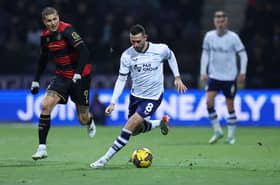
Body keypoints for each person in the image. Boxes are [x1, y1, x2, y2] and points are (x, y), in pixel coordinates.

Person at [90, 24, 187, 169]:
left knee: (130, 124)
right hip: (135, 96)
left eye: (138, 41)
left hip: (153, 97)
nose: (135, 45)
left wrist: (177, 77)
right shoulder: (127, 55)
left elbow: (171, 56)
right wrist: (113, 102)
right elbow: (121, 79)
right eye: (132, 41)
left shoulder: (160, 49)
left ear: (145, 38)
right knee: (135, 130)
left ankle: (104, 159)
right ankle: (161, 122)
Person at [30, 7, 96, 160]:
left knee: (82, 119)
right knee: (46, 105)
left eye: (54, 19)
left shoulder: (67, 31)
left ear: (58, 17)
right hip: (61, 77)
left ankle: (90, 120)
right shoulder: (45, 37)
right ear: (44, 22)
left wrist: (78, 73)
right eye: (49, 21)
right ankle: (42, 148)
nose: (52, 23)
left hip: (81, 76)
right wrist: (36, 79)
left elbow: (85, 52)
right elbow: (43, 59)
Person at [200, 11, 248, 144]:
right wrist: (203, 71)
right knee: (208, 100)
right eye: (218, 21)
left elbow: (243, 54)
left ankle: (231, 136)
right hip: (214, 76)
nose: (220, 24)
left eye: (222, 21)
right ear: (214, 22)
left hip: (229, 77)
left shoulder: (233, 37)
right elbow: (205, 54)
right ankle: (217, 130)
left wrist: (242, 72)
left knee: (230, 105)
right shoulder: (209, 36)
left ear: (226, 22)